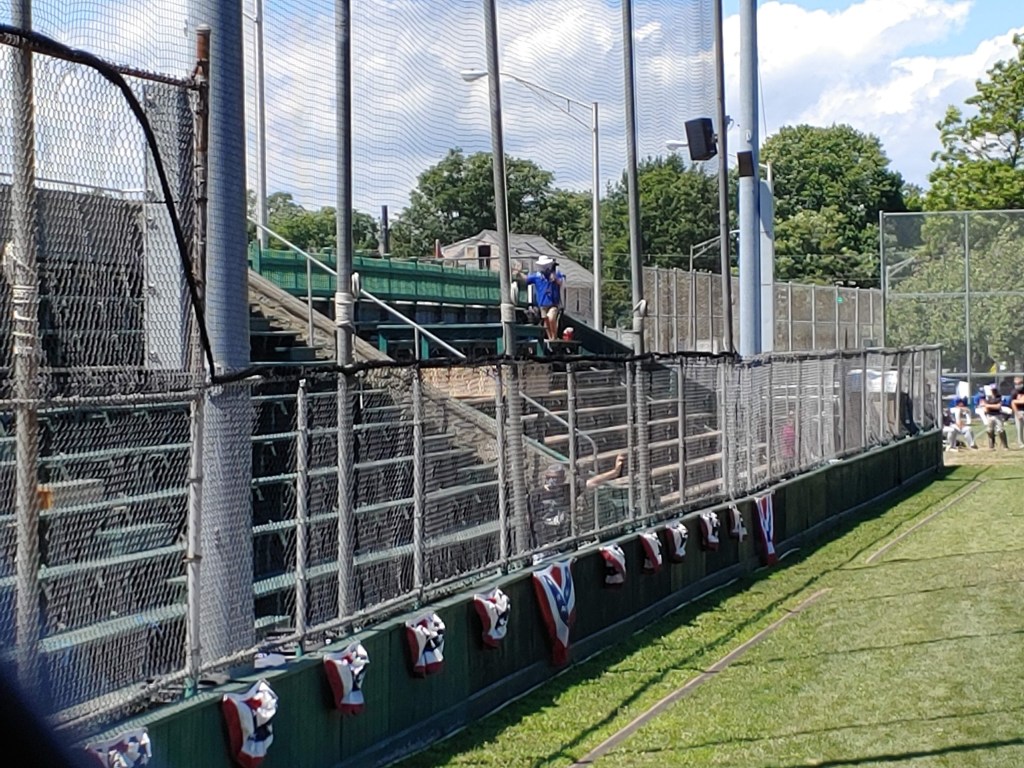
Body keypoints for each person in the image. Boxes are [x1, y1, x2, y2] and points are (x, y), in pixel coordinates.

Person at [530, 453, 626, 554]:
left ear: (563, 479)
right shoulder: (536, 495)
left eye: (558, 478)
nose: (553, 481)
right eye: (551, 477)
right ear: (546, 477)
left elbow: (591, 482)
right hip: (545, 544)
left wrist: (615, 472)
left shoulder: (567, 490)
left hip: (565, 542)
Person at [520, 255, 565, 341]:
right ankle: (550, 337)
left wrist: (555, 279)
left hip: (553, 303)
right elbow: (526, 279)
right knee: (546, 321)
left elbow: (561, 282)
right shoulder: (537, 276)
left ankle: (554, 337)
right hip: (542, 303)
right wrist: (519, 272)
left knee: (551, 318)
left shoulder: (556, 274)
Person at [977, 384, 1009, 450]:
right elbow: (985, 407)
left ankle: (1005, 446)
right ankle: (991, 446)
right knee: (989, 430)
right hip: (990, 415)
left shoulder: (1000, 397)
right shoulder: (988, 397)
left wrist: (988, 405)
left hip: (998, 415)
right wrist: (990, 406)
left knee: (1001, 430)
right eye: (992, 390)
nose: (994, 391)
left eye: (995, 390)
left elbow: (998, 407)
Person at [1011, 376, 1024, 448]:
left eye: (1019, 383)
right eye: (1016, 384)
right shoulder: (1014, 392)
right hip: (1018, 411)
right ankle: (1021, 443)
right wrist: (1017, 414)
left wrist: (1017, 401)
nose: (1017, 385)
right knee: (1019, 428)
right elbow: (1012, 403)